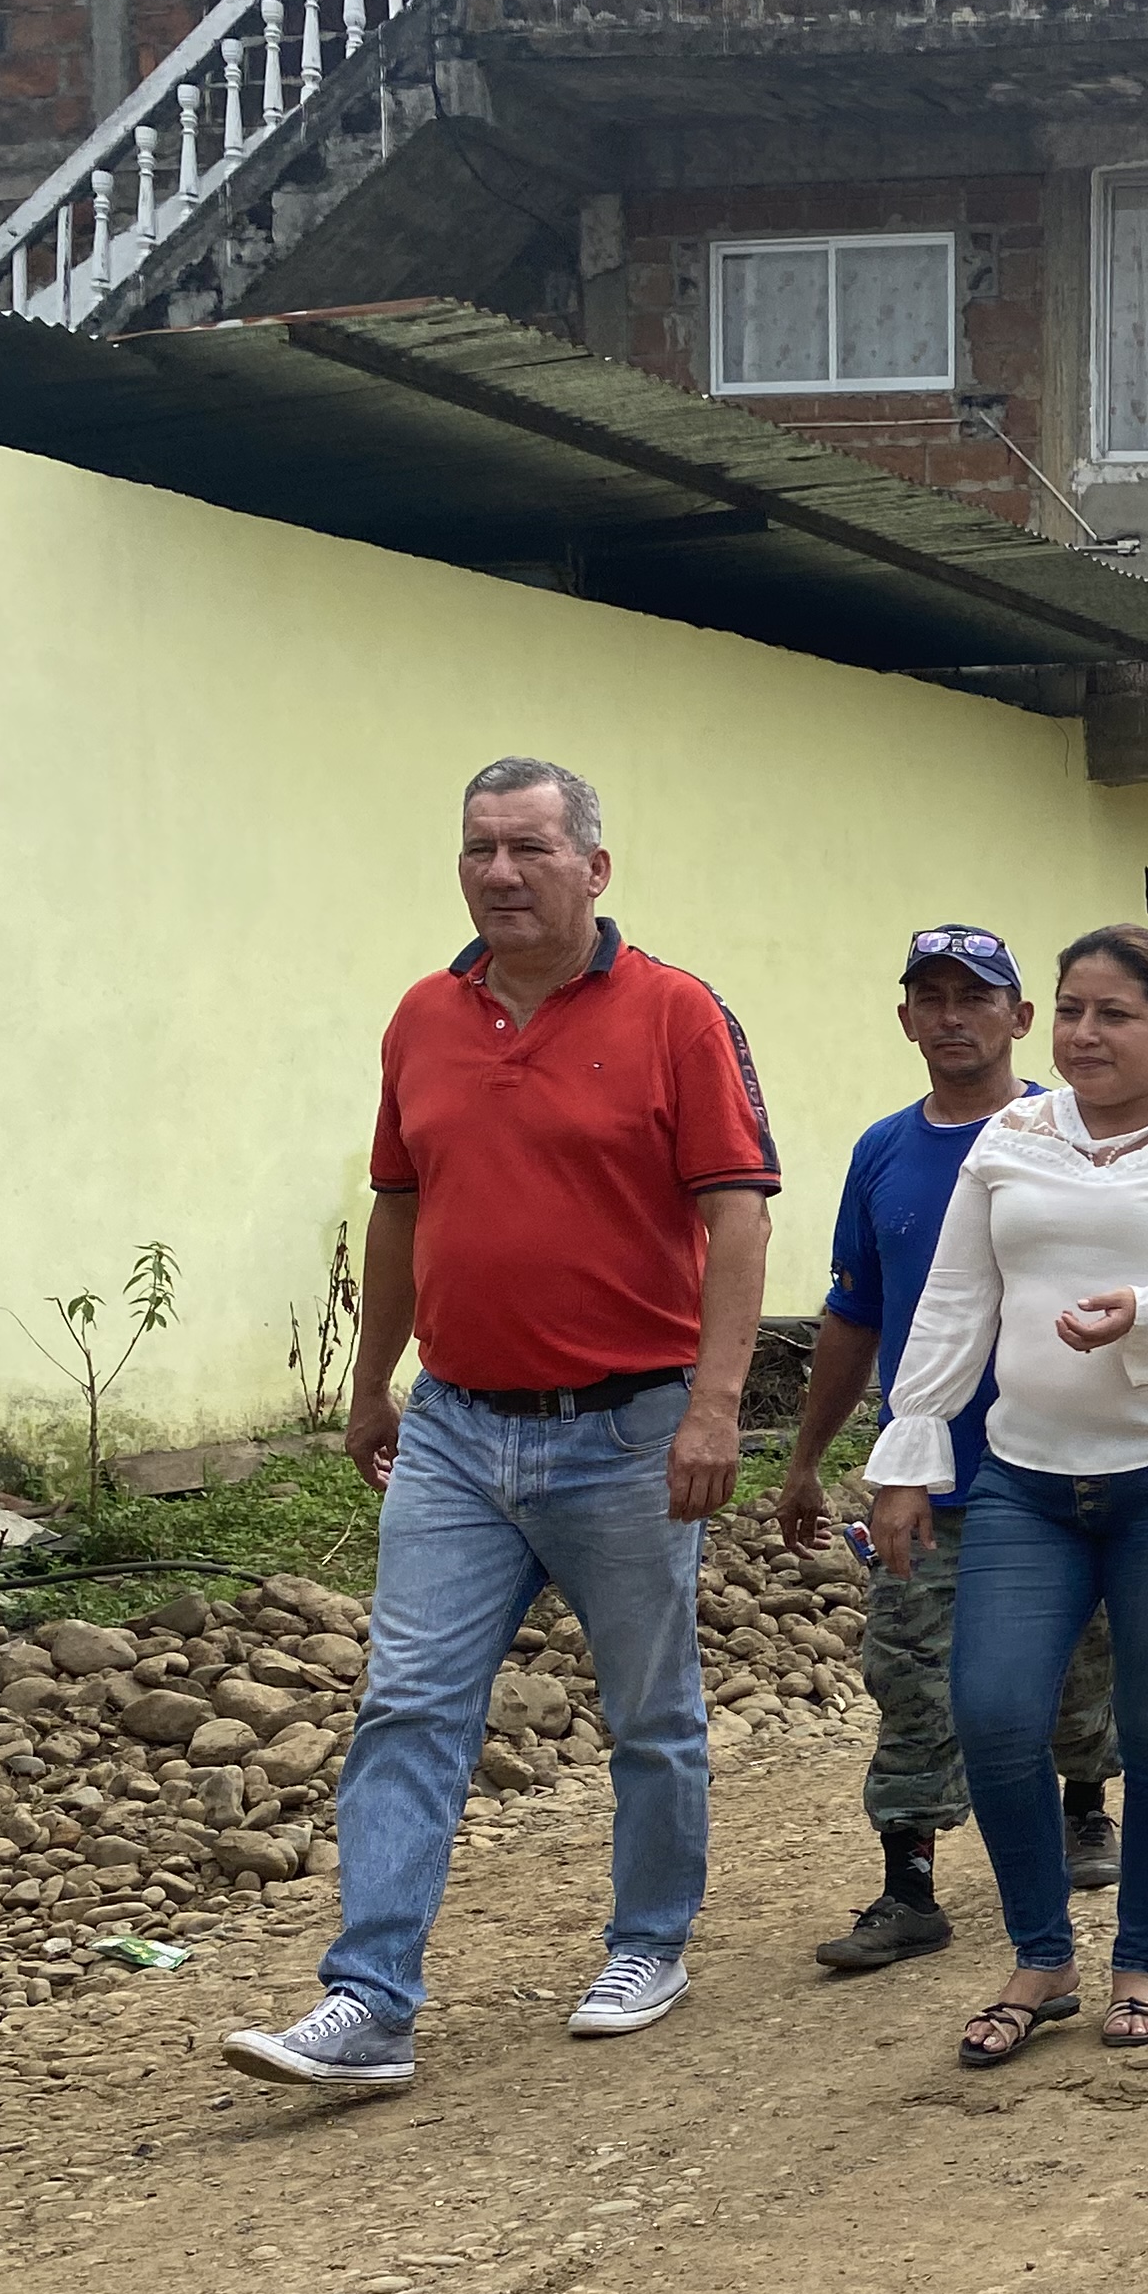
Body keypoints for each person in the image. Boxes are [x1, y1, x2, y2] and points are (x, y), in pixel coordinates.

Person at [227, 756, 777, 2090]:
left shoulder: (677, 1013)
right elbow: (401, 1206)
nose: (501, 873)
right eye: (480, 848)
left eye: (530, 848)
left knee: (650, 1711)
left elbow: (739, 1216)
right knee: (408, 1706)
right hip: (458, 1433)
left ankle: (648, 1943)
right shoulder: (424, 1016)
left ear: (595, 866)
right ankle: (369, 2002)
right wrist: (373, 1380)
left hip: (628, 1431)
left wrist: (715, 1407)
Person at [866, 925, 1148, 2059]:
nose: (1084, 1034)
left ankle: (1141, 1960)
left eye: (1115, 1014)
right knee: (993, 1713)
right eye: (1070, 1010)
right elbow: (956, 1302)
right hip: (1027, 1482)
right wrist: (909, 1453)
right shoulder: (1013, 1133)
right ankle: (1042, 1956)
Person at [774, 927, 1126, 1974]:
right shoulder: (883, 1153)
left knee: (1079, 1659)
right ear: (905, 1020)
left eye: (974, 998)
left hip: (1064, 1461)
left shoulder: (1077, 1136)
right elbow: (854, 1313)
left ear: (1021, 1018)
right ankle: (909, 1885)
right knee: (910, 1673)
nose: (951, 1017)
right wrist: (808, 1459)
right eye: (930, 998)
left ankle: (1085, 1803)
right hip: (929, 1475)